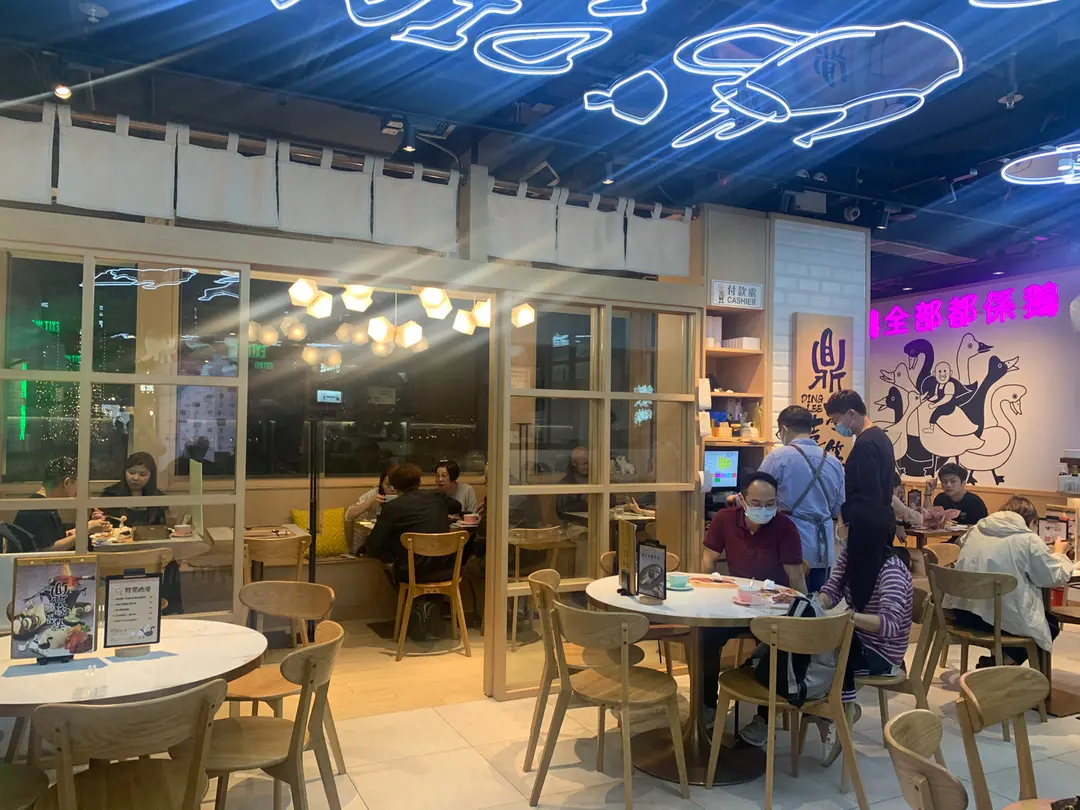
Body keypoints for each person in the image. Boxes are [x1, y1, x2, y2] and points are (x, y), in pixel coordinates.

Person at [700, 471, 807, 735]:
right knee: (705, 636)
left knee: (777, 647)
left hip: (772, 608)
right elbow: (708, 558)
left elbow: (796, 576)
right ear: (742, 500)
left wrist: (803, 611)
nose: (764, 510)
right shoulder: (725, 519)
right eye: (756, 504)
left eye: (770, 504)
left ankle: (764, 717)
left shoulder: (785, 527)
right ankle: (707, 704)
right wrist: (711, 586)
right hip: (735, 604)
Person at [816, 497, 914, 764]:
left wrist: (849, 618)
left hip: (882, 653)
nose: (837, 527)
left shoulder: (891, 570)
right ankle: (830, 713)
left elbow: (889, 625)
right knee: (804, 648)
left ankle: (835, 714)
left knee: (819, 660)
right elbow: (832, 591)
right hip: (858, 638)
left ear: (855, 529)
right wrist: (814, 604)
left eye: (840, 522)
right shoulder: (851, 556)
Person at [946, 496, 1073, 667]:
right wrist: (1060, 554)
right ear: (1033, 522)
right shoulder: (1028, 540)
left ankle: (997, 663)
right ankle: (1000, 665)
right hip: (995, 621)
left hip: (961, 612)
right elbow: (1051, 577)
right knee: (1049, 625)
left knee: (1009, 611)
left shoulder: (975, 531)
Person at [759, 405, 845, 593]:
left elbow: (758, 495)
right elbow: (838, 508)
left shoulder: (777, 458)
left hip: (788, 547)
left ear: (784, 429)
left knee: (782, 602)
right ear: (810, 429)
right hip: (823, 549)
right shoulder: (834, 462)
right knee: (814, 603)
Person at [367, 463, 463, 585]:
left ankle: (407, 597)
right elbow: (457, 507)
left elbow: (374, 545)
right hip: (445, 567)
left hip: (412, 572)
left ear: (395, 486)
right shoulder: (438, 497)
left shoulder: (393, 506)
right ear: (419, 481)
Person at [14, 457, 109, 551]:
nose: (77, 492)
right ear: (67, 483)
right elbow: (47, 550)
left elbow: (57, 538)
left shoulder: (46, 505)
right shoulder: (37, 510)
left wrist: (89, 526)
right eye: (77, 485)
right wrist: (87, 529)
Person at [825, 389, 895, 507]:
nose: (836, 426)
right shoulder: (881, 437)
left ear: (851, 414)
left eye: (836, 421)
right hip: (883, 512)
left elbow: (867, 494)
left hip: (868, 516)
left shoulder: (865, 445)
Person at [100, 452, 168, 525]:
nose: (136, 478)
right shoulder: (109, 495)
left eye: (142, 474)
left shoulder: (159, 499)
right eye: (131, 473)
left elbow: (163, 528)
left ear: (151, 476)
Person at [556, 447, 590, 517]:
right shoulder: (565, 483)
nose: (587, 466)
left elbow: (611, 501)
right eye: (583, 464)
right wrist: (584, 502)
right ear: (573, 463)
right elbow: (561, 511)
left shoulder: (596, 479)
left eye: (588, 463)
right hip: (574, 521)